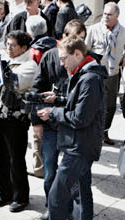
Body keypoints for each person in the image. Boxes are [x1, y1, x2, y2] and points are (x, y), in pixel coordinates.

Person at [37, 36, 107, 220]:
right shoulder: (84, 73)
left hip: (80, 147)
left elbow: (80, 118)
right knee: (81, 194)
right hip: (79, 144)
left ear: (77, 54)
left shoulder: (90, 78)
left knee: (57, 196)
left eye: (63, 58)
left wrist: (53, 112)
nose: (61, 64)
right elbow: (79, 104)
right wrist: (59, 99)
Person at [31, 19, 87, 220]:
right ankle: (52, 208)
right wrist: (36, 121)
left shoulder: (87, 63)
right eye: (73, 38)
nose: (76, 43)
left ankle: (71, 212)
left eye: (80, 40)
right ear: (63, 37)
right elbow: (36, 89)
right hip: (51, 124)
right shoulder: (49, 57)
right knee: (49, 171)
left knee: (74, 177)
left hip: (73, 127)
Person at [0, 31, 36, 212]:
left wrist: (0, 66)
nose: (8, 48)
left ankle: (20, 196)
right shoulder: (5, 59)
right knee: (0, 158)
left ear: (24, 48)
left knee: (16, 159)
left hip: (16, 120)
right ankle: (4, 192)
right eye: (7, 44)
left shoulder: (29, 65)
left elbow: (15, 83)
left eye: (13, 45)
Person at [85, 2, 125, 145]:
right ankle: (92, 132)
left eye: (109, 14)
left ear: (117, 16)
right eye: (105, 13)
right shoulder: (94, 29)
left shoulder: (124, 31)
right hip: (96, 73)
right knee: (93, 103)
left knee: (110, 105)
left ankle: (104, 132)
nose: (106, 17)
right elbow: (85, 49)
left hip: (113, 73)